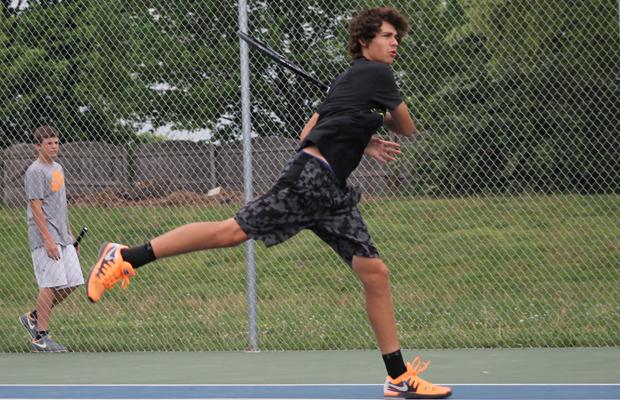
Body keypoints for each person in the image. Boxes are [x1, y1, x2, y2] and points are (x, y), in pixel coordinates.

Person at [86, 7, 452, 399]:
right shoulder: (377, 74)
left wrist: (361, 136)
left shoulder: (346, 82)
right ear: (364, 42)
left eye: (397, 37)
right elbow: (407, 126)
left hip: (331, 192)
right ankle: (125, 255)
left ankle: (398, 377)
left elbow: (308, 129)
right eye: (386, 36)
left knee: (375, 273)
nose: (394, 42)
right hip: (311, 181)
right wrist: (377, 124)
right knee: (230, 233)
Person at [20, 125, 84, 352]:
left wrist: (68, 237)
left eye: (56, 142)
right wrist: (48, 240)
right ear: (38, 146)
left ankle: (33, 316)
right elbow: (36, 208)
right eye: (49, 143)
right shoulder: (35, 171)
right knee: (50, 283)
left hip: (62, 236)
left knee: (74, 281)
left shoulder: (58, 168)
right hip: (44, 237)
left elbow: (60, 206)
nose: (54, 146)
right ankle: (40, 337)